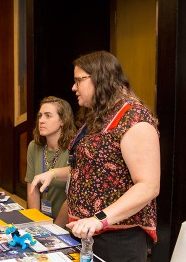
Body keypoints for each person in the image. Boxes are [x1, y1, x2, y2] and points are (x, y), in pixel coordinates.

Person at [30, 51, 160, 262]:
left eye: (78, 80)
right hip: (84, 233)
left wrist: (100, 219)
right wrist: (53, 173)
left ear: (100, 78)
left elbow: (148, 186)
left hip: (116, 239)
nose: (74, 87)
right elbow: (93, 169)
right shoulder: (99, 116)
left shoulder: (134, 119)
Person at [25, 96, 76, 226]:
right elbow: (32, 186)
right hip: (42, 221)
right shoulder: (34, 146)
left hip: (67, 224)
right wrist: (36, 223)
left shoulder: (75, 147)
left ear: (63, 121)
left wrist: (55, 229)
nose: (41, 121)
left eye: (48, 116)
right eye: (40, 116)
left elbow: (72, 197)